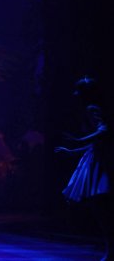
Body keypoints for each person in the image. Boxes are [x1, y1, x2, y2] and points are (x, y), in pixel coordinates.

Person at [56, 76, 112, 261]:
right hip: (95, 157)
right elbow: (95, 143)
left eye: (78, 91)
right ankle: (109, 248)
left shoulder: (91, 108)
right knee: (98, 204)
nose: (75, 94)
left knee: (100, 204)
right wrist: (73, 150)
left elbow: (104, 131)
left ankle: (110, 249)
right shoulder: (90, 109)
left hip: (100, 160)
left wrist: (78, 141)